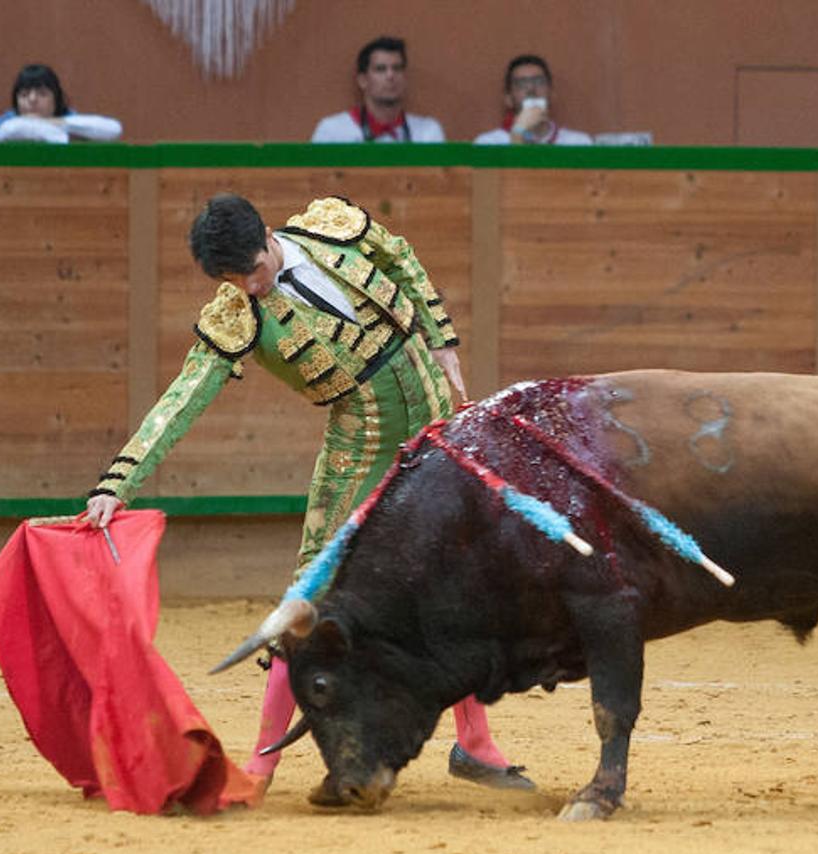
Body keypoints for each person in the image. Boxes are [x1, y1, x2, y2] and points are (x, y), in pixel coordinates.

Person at [84, 193, 531, 795]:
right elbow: (182, 397)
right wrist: (119, 481)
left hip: (434, 432)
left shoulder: (331, 227)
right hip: (360, 449)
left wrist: (442, 339)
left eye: (254, 271)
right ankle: (262, 765)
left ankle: (475, 743)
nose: (251, 288)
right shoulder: (237, 314)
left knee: (454, 580)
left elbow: (402, 257)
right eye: (235, 281)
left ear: (269, 237)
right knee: (309, 597)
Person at [310, 36, 445, 143]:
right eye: (380, 69)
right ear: (363, 80)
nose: (390, 76)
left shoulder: (428, 133)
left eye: (397, 68)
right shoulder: (333, 132)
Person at [473, 55, 591, 146]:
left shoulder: (578, 143)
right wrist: (519, 132)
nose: (531, 89)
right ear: (508, 99)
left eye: (539, 82)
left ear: (551, 94)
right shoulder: (488, 143)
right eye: (521, 84)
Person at [0, 64, 122, 143]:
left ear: (56, 98)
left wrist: (55, 123)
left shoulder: (70, 119)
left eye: (42, 94)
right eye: (24, 95)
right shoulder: (4, 122)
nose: (32, 100)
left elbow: (113, 129)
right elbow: (9, 130)